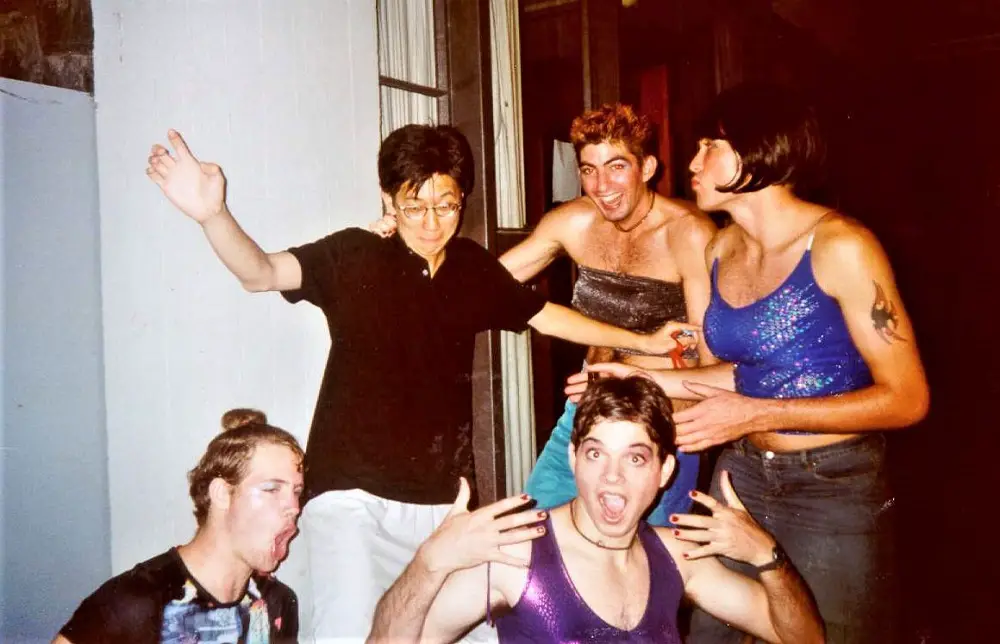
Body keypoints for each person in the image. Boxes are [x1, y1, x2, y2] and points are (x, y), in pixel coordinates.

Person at [145, 123, 696, 641]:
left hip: (440, 503)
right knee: (354, 635)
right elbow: (259, 272)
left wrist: (645, 343)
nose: (432, 222)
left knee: (470, 634)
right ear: (387, 200)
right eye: (414, 206)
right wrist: (212, 214)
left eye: (446, 204)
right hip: (351, 500)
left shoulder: (470, 267)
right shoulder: (353, 255)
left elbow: (543, 314)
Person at [568, 83, 930, 643]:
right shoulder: (720, 249)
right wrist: (649, 376)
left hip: (832, 486)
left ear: (759, 150)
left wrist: (753, 414)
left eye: (708, 145)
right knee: (711, 633)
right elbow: (745, 373)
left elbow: (908, 398)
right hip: (742, 479)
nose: (690, 163)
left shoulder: (841, 246)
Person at [372, 104, 717, 526]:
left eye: (616, 167)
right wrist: (399, 244)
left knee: (645, 566)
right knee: (533, 530)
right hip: (588, 411)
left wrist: (646, 380)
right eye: (588, 169)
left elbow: (709, 356)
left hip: (666, 424)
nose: (601, 185)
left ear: (647, 166)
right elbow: (474, 285)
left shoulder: (688, 232)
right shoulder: (573, 223)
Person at [367, 376, 825, 643]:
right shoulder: (518, 553)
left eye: (635, 457)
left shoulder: (677, 557)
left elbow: (803, 638)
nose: (612, 476)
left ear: (665, 471)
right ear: (572, 459)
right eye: (595, 453)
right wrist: (430, 561)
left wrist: (767, 555)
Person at [54, 409, 303, 644]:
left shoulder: (278, 603)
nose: (294, 507)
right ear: (222, 494)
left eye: (296, 491)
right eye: (272, 489)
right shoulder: (134, 602)